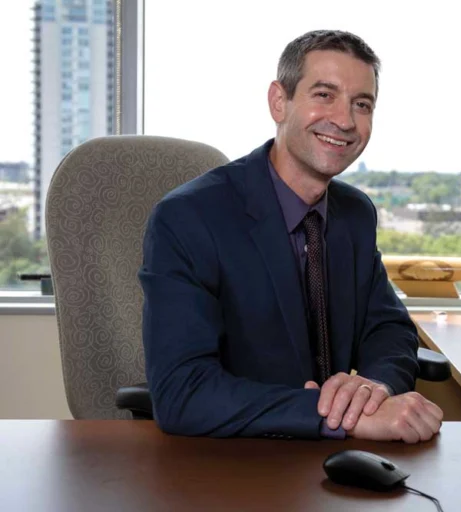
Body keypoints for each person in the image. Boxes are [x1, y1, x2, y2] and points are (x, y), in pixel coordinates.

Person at [138, 29, 443, 443]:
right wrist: (338, 418)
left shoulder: (355, 214)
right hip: (230, 462)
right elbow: (182, 392)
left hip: (326, 469)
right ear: (279, 102)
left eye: (362, 104)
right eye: (324, 95)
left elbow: (388, 328)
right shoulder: (189, 218)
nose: (345, 120)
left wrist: (375, 389)